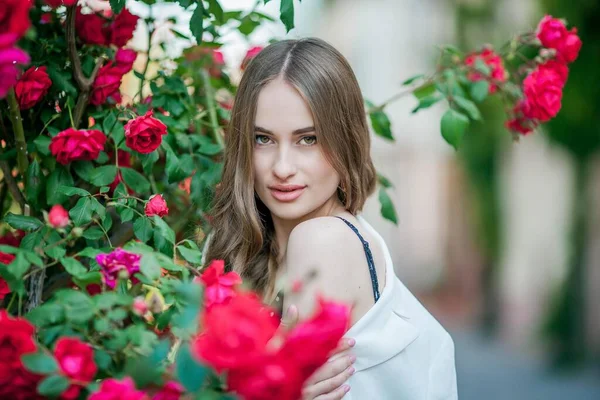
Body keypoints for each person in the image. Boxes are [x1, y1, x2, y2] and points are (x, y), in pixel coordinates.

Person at [202, 37, 458, 400]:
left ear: (344, 139)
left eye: (308, 139)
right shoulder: (258, 251)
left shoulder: (323, 241)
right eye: (263, 139)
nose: (282, 168)